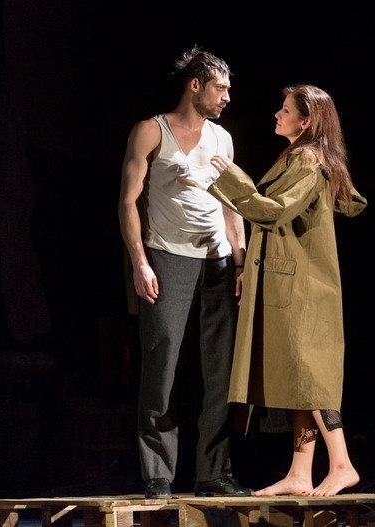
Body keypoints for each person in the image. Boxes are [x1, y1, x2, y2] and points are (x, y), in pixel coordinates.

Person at [202, 84, 367, 496]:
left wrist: (230, 178)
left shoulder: (308, 159)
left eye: (286, 109)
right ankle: (300, 471)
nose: (278, 114)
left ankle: (342, 464)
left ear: (306, 121)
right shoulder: (302, 157)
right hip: (298, 282)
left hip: (303, 287)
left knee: (311, 376)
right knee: (297, 375)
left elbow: (274, 211)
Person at [118, 46, 251, 499]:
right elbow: (128, 202)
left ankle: (214, 473)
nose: (227, 97)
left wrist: (240, 260)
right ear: (195, 85)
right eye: (220, 88)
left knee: (221, 371)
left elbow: (232, 205)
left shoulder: (223, 138)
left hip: (217, 261)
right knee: (163, 366)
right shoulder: (150, 131)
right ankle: (158, 473)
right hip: (167, 257)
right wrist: (139, 262)